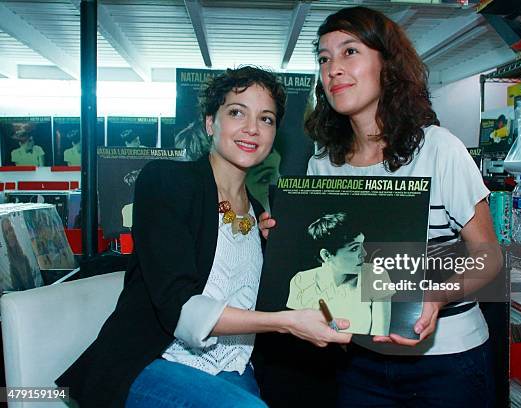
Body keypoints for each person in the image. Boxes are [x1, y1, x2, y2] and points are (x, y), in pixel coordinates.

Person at [56, 66, 351, 408]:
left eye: (266, 119)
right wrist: (285, 323)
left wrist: (280, 258)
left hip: (233, 366)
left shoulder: (259, 215)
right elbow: (181, 309)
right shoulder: (169, 181)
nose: (252, 129)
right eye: (237, 112)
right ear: (211, 123)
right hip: (152, 362)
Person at [259, 7, 502, 408]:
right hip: (360, 362)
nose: (333, 68)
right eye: (324, 58)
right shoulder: (324, 163)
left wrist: (438, 296)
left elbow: (489, 258)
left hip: (447, 361)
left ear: (386, 65)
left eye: (349, 52)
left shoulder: (439, 149)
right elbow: (328, 274)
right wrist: (286, 242)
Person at [286, 212, 393, 335]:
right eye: (354, 248)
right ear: (326, 255)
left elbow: (379, 337)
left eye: (362, 245)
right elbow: (297, 335)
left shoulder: (376, 275)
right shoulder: (301, 281)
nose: (364, 253)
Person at [1, 217, 37, 291]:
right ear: (5, 237)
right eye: (6, 232)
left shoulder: (25, 256)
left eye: (10, 229)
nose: (9, 234)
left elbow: (32, 284)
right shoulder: (9, 265)